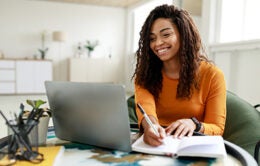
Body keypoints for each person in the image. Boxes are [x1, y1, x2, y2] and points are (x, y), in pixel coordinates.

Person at [132, 4, 226, 147]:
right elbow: (147, 108)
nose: (158, 43)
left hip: (194, 147)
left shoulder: (212, 75)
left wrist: (194, 124)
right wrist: (150, 126)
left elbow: (217, 128)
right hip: (156, 145)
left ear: (183, 34)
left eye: (166, 34)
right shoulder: (145, 74)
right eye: (152, 38)